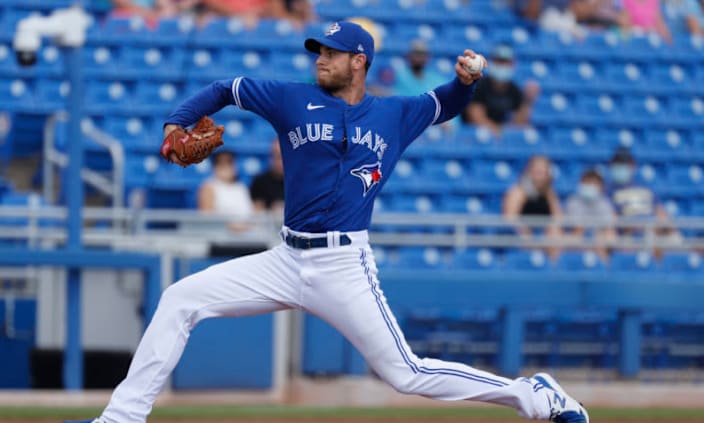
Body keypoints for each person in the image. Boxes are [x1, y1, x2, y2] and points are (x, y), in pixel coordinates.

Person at [66, 21, 588, 423]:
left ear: (358, 62)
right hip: (285, 258)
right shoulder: (292, 98)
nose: (322, 58)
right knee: (180, 298)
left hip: (344, 265)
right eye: (320, 50)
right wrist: (177, 121)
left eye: (333, 53)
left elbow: (445, 104)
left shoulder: (394, 115)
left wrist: (465, 81)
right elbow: (227, 88)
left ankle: (534, 395)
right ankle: (122, 417)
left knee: (405, 374)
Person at [605, 147, 680, 253]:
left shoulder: (644, 187)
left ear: (633, 165)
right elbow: (612, 218)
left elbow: (660, 211)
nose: (621, 167)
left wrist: (668, 228)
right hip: (629, 234)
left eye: (624, 163)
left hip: (652, 230)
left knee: (673, 239)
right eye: (618, 163)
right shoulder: (608, 191)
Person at [463, 44, 540, 137]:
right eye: (499, 61)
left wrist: (528, 100)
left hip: (498, 135)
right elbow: (475, 117)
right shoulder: (480, 85)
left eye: (506, 62)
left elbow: (520, 123)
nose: (503, 65)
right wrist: (499, 131)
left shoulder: (513, 89)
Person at [502, 155, 563, 258]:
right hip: (521, 234)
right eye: (537, 171)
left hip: (543, 234)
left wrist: (551, 230)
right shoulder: (518, 192)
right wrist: (525, 231)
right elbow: (510, 218)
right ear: (529, 172)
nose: (540, 176)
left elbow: (558, 217)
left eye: (544, 172)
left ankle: (554, 268)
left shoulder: (549, 194)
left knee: (555, 233)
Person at [565, 169, 617, 261]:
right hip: (578, 236)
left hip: (598, 238)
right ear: (581, 184)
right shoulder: (573, 202)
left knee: (607, 236)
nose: (590, 186)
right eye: (587, 183)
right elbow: (578, 228)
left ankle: (605, 270)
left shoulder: (604, 203)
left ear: (601, 187)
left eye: (594, 184)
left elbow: (608, 226)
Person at [197, 150, 254, 231]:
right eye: (221, 163)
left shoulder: (242, 187)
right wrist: (231, 227)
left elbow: (252, 214)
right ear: (215, 167)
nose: (226, 167)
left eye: (229, 162)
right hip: (221, 235)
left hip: (247, 234)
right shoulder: (209, 186)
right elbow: (207, 218)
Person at [250, 138, 285, 213]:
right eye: (276, 156)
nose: (280, 161)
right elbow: (256, 211)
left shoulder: (299, 182)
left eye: (283, 157)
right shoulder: (260, 182)